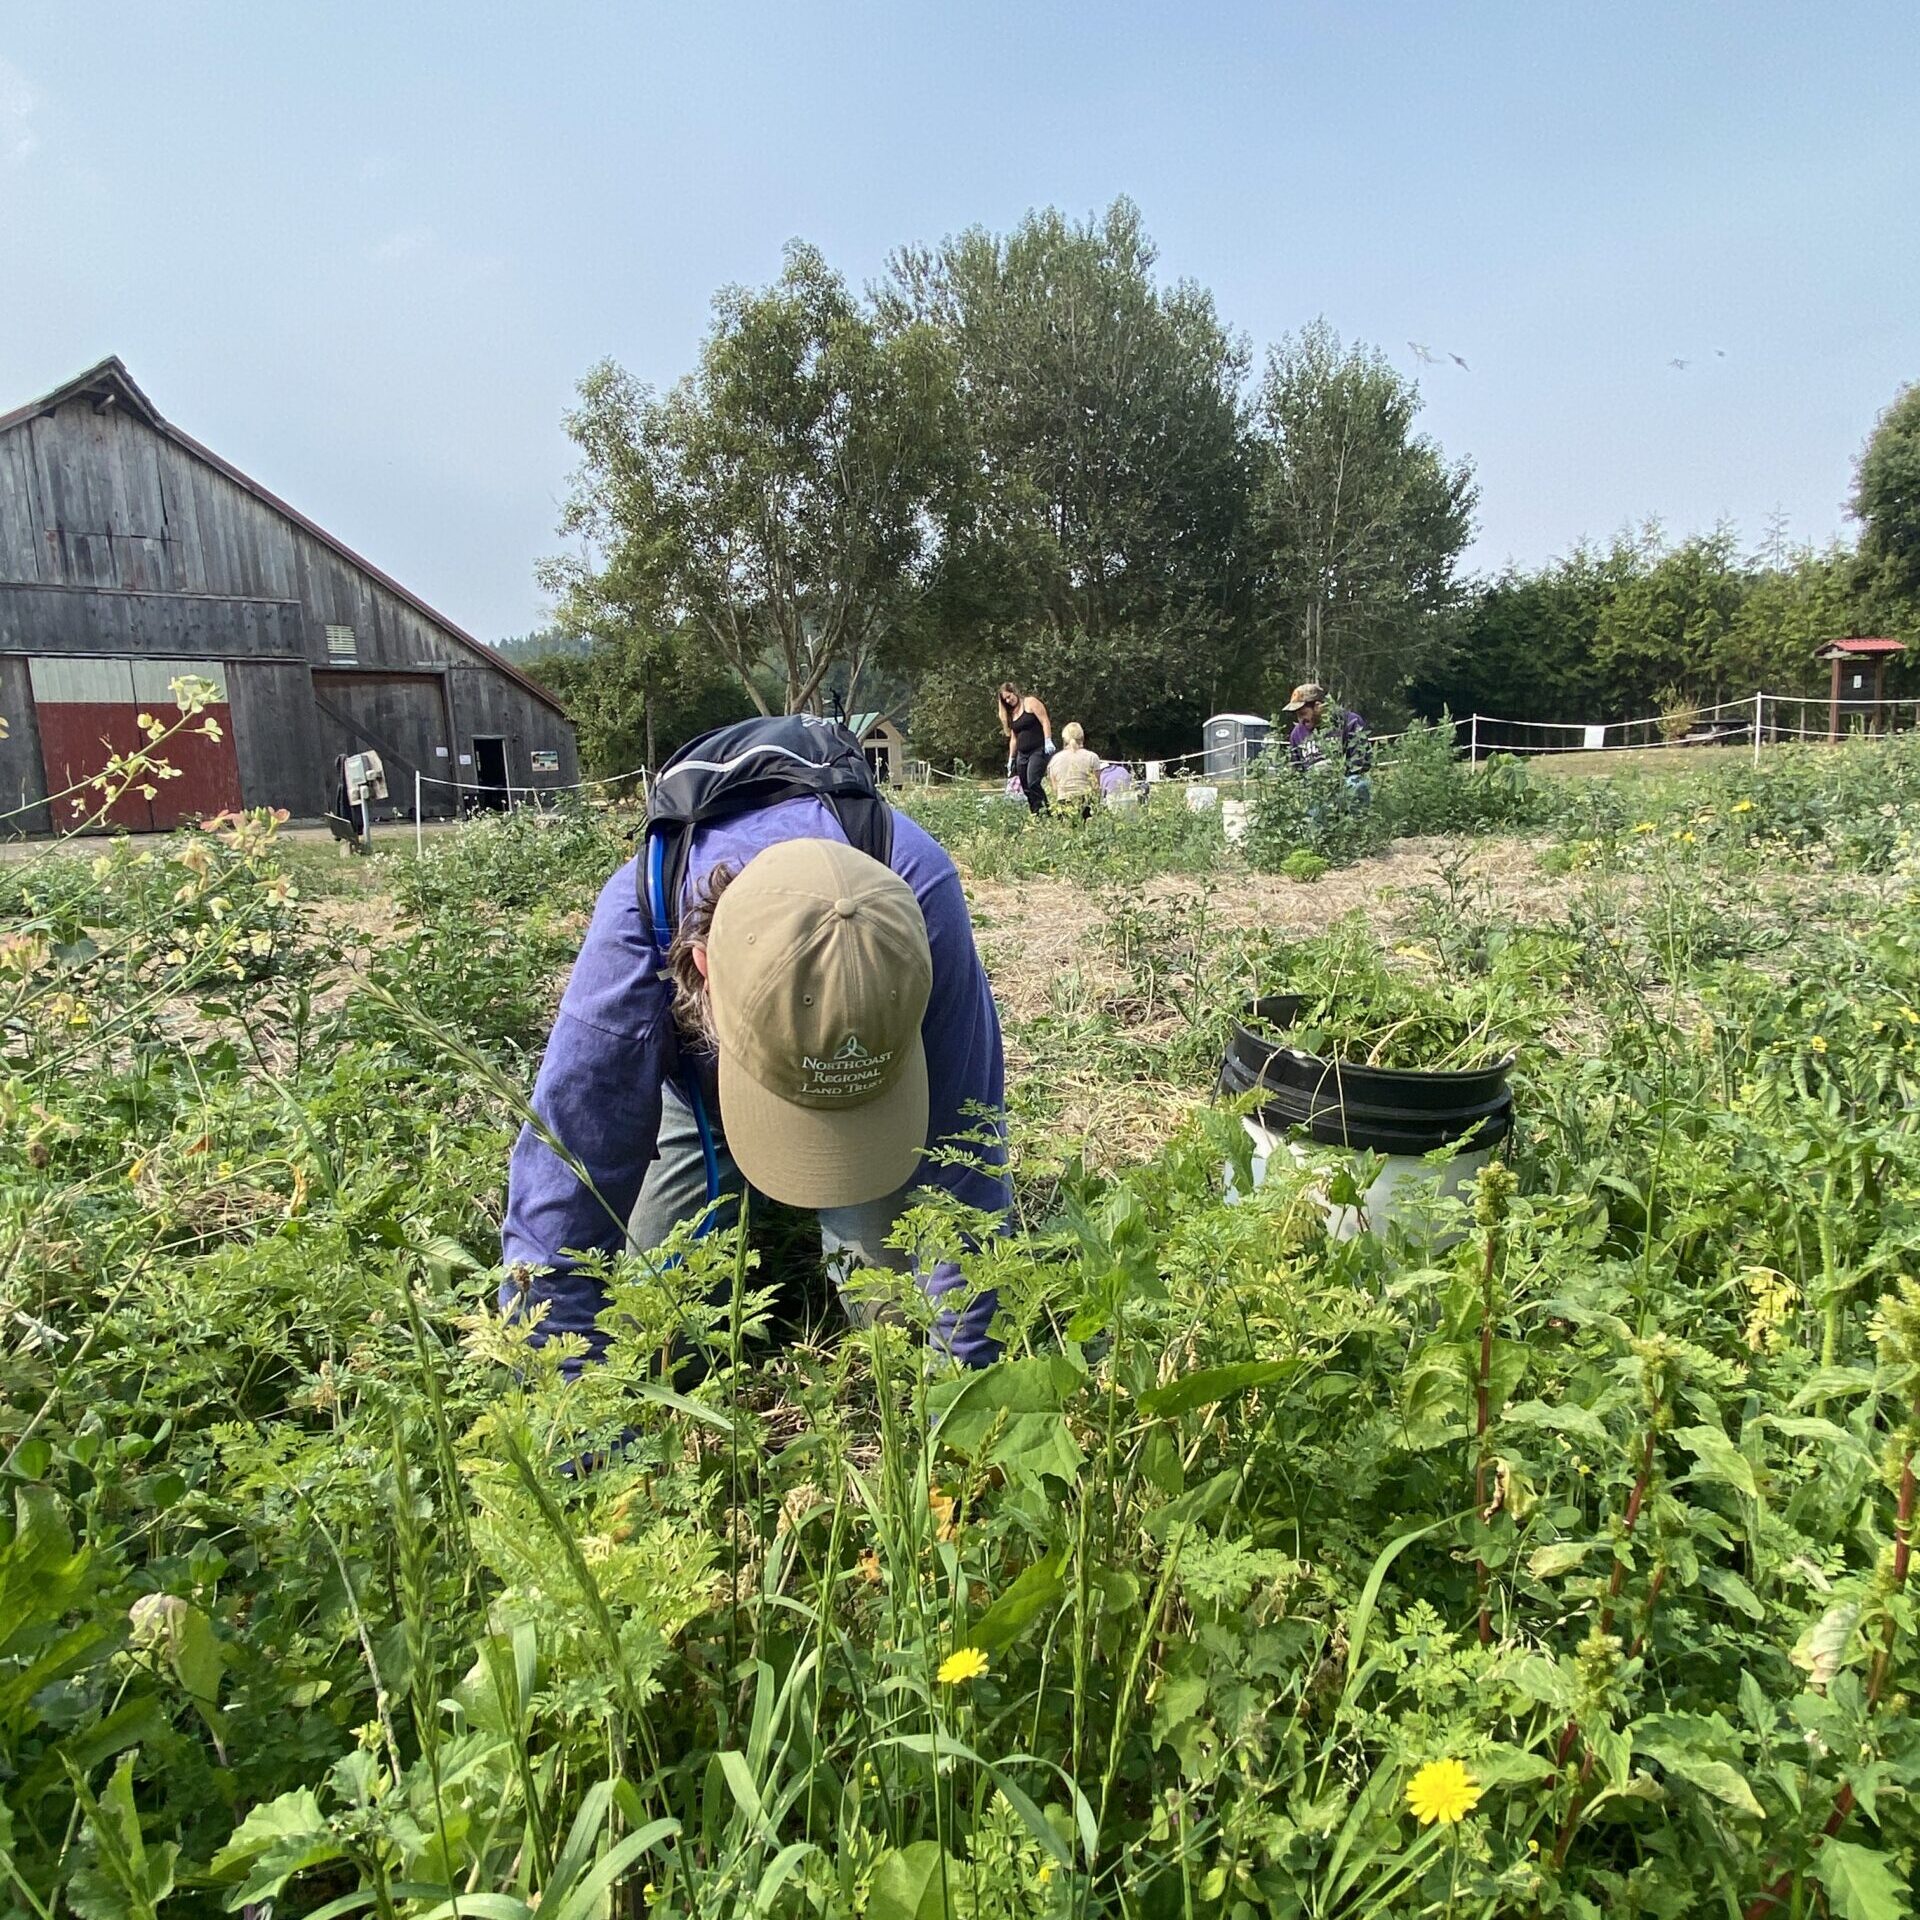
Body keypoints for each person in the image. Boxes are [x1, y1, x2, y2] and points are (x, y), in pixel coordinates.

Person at [502, 718, 1008, 1373]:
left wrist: (969, 1388)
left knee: (896, 1317)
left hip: (872, 1094)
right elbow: (567, 1180)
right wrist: (567, 1406)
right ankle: (736, 1168)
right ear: (703, 969)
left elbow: (965, 1150)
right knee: (659, 1332)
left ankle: (844, 1195)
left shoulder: (915, 890)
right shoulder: (636, 930)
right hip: (706, 1091)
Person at [1282, 683, 1373, 800]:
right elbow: (1297, 771)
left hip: (1345, 784)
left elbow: (1362, 761)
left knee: (1358, 785)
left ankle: (1357, 818)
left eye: (1303, 714)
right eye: (1297, 716)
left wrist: (1335, 776)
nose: (1301, 720)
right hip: (1316, 792)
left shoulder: (1349, 721)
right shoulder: (1296, 734)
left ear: (1318, 706)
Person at [997, 681, 1053, 814]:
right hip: (1022, 753)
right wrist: (1011, 758)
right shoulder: (1012, 714)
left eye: (1009, 696)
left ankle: (1046, 811)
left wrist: (1048, 740)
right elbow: (1014, 738)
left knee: (1033, 781)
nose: (1008, 700)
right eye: (1005, 700)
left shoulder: (1030, 703)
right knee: (1025, 786)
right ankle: (1036, 813)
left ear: (1014, 692)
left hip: (1038, 749)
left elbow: (1044, 720)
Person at [1044, 721, 1104, 816]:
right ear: (1082, 738)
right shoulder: (1092, 757)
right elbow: (1096, 785)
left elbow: (1055, 788)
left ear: (1064, 739)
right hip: (1086, 802)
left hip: (1063, 802)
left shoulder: (1054, 760)